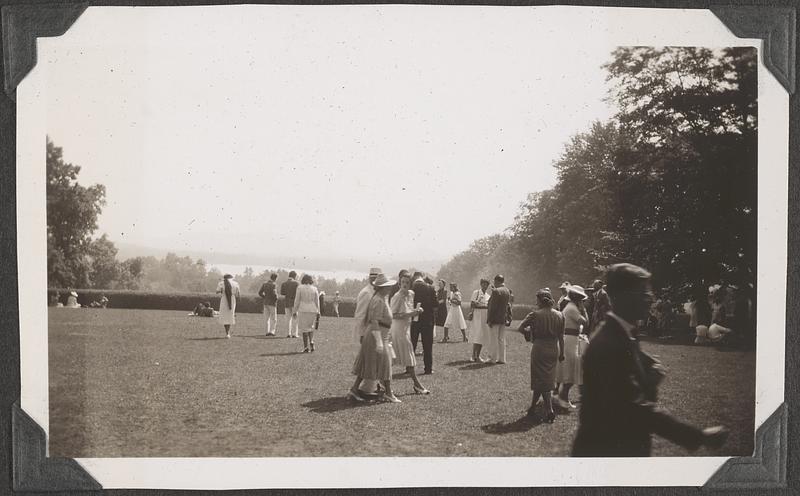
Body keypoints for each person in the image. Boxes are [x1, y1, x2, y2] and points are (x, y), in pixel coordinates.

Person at [572, 263, 729, 456]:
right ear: (624, 296)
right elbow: (630, 408)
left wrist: (648, 373)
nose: (651, 298)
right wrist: (699, 436)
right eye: (644, 293)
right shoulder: (608, 343)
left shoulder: (625, 333)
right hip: (605, 452)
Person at [349, 273, 401, 403]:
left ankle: (355, 389)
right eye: (387, 286)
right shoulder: (378, 300)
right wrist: (379, 341)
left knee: (370, 363)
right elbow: (374, 321)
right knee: (383, 363)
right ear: (382, 288)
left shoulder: (382, 298)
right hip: (376, 336)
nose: (390, 288)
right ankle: (388, 392)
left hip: (381, 335)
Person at [518, 289, 565, 423]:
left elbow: (521, 328)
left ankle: (549, 410)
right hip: (554, 349)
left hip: (539, 348)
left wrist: (530, 333)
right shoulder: (560, 315)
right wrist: (562, 353)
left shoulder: (535, 314)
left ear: (541, 301)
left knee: (542, 379)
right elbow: (561, 337)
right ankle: (532, 407)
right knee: (544, 378)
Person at [389, 273, 430, 394]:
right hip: (397, 330)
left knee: (395, 358)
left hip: (406, 329)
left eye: (407, 282)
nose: (405, 284)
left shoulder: (412, 294)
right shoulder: (396, 297)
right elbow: (393, 315)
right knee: (407, 357)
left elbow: (409, 309)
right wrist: (411, 314)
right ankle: (417, 385)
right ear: (399, 283)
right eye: (403, 282)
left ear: (410, 283)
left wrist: (417, 311)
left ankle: (380, 382)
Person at [555, 284, 588, 409]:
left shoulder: (570, 307)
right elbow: (586, 322)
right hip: (569, 340)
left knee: (568, 367)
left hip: (570, 339)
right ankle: (563, 397)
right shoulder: (573, 309)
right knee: (571, 368)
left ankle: (559, 394)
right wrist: (583, 309)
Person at [353, 267, 382, 398]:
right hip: (367, 331)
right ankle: (364, 388)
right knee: (367, 360)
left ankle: (371, 386)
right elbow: (360, 315)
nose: (374, 279)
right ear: (369, 278)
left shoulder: (375, 291)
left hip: (374, 330)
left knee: (373, 359)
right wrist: (362, 333)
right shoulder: (366, 292)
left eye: (377, 277)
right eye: (372, 277)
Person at [411, 271, 438, 375]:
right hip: (428, 321)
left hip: (414, 320)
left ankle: (409, 368)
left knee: (412, 345)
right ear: (422, 277)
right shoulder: (430, 288)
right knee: (427, 346)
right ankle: (428, 369)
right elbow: (435, 305)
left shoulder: (411, 289)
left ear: (414, 278)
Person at [486, 274, 511, 364]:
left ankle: (492, 358)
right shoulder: (507, 290)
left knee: (493, 339)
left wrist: (490, 319)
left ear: (496, 281)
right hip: (503, 318)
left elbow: (493, 307)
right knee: (501, 339)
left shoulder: (496, 291)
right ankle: (502, 358)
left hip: (495, 318)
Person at [293, 274, 321, 352]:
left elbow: (297, 300)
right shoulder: (314, 288)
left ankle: (306, 347)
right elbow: (317, 301)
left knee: (304, 329)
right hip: (312, 309)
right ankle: (311, 341)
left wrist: (294, 311)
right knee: (311, 327)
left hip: (303, 309)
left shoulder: (300, 287)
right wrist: (319, 311)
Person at [469, 279, 492, 362]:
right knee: (477, 335)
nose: (485, 286)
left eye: (486, 284)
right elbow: (472, 304)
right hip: (477, 315)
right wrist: (471, 312)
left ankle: (477, 356)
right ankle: (473, 356)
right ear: (481, 284)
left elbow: (489, 306)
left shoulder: (488, 296)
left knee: (482, 336)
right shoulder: (476, 292)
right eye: (483, 284)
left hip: (485, 316)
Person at [216, 274, 240, 338]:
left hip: (224, 299)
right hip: (232, 299)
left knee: (224, 316)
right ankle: (228, 332)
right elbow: (238, 294)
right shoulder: (236, 283)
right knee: (230, 315)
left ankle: (227, 332)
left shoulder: (221, 283)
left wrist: (222, 290)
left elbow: (217, 291)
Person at [281, 271, 300, 338]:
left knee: (288, 319)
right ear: (294, 276)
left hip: (286, 302)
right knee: (295, 319)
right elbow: (298, 294)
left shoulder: (284, 283)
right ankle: (295, 333)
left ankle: (288, 333)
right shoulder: (296, 283)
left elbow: (282, 293)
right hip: (294, 303)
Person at [432, 279, 448, 352]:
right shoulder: (438, 291)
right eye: (439, 284)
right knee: (435, 321)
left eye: (440, 283)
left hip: (442, 308)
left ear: (444, 284)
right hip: (438, 308)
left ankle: (445, 336)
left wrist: (436, 303)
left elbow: (443, 300)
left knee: (445, 323)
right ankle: (432, 336)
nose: (439, 285)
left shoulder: (445, 291)